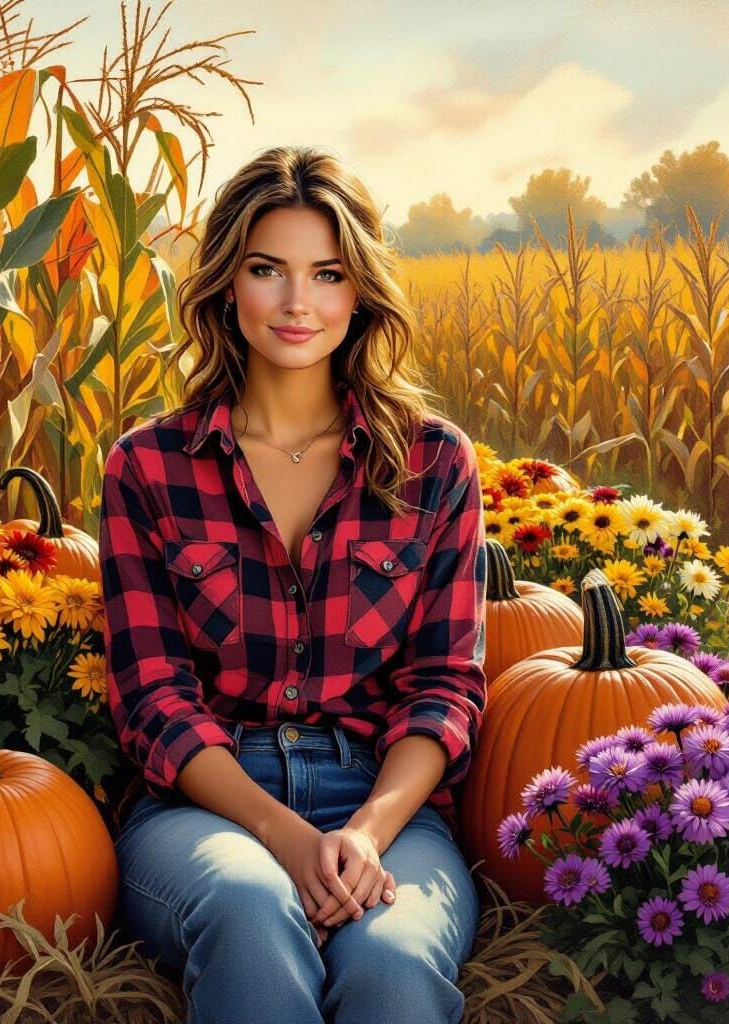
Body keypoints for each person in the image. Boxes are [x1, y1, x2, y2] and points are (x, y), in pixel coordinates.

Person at [99, 145, 487, 1024]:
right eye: (267, 270)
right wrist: (283, 834)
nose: (298, 302)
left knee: (391, 963)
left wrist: (363, 834)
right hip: (205, 808)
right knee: (247, 908)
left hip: (383, 801)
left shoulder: (432, 462)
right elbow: (152, 695)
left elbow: (445, 687)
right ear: (227, 285)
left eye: (328, 273)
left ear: (360, 292)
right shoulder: (149, 465)